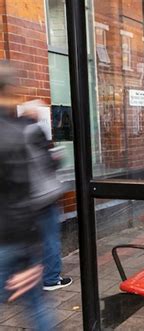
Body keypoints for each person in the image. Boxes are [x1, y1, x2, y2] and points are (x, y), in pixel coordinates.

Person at [0, 63, 54, 329]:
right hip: (13, 236)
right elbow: (22, 194)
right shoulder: (16, 132)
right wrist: (33, 247)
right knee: (35, 303)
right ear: (11, 90)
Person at [20, 100, 73, 291]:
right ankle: (51, 279)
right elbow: (49, 163)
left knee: (33, 241)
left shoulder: (15, 134)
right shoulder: (35, 132)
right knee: (50, 239)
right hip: (44, 196)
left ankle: (29, 278)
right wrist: (57, 155)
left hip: (27, 199)